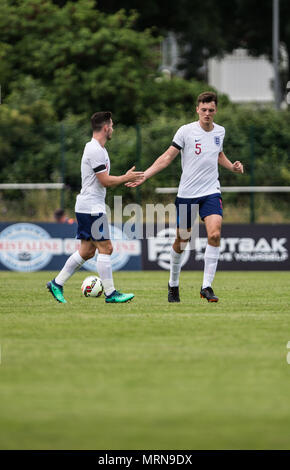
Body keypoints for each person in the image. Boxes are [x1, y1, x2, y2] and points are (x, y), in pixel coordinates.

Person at [126, 92, 244, 303]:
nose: (207, 113)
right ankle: (173, 284)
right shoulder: (186, 131)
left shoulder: (220, 131)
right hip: (187, 194)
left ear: (216, 111)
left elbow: (218, 154)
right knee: (182, 241)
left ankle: (206, 287)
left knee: (215, 235)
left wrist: (232, 167)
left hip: (211, 192)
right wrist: (145, 175)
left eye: (211, 110)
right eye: (204, 109)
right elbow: (167, 158)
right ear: (197, 109)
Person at [47, 111, 144, 304]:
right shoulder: (95, 150)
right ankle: (111, 293)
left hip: (88, 205)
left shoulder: (98, 149)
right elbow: (105, 181)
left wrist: (123, 177)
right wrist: (126, 177)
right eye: (112, 125)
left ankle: (56, 283)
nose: (113, 129)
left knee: (87, 251)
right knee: (106, 247)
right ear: (106, 127)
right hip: (91, 207)